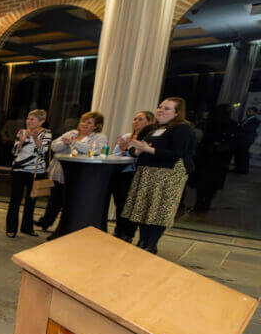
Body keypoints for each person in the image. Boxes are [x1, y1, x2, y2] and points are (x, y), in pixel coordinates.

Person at [123, 97, 197, 254]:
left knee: (158, 210)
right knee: (143, 209)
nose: (161, 110)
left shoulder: (182, 129)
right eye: (160, 107)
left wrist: (148, 149)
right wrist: (137, 150)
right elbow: (135, 149)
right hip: (146, 173)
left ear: (177, 113)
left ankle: (150, 244)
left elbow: (176, 154)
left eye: (167, 108)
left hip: (168, 174)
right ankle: (142, 241)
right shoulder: (151, 129)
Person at [36, 111, 108, 232]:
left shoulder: (99, 137)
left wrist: (74, 142)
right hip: (59, 172)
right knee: (54, 199)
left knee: (70, 203)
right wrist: (65, 143)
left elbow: (96, 150)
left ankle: (64, 228)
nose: (84, 124)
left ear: (96, 126)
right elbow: (54, 146)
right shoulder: (72, 133)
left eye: (89, 122)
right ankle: (45, 222)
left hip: (79, 175)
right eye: (83, 121)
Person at [5, 110, 51, 238]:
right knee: (14, 201)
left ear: (41, 121)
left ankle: (27, 228)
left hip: (36, 172)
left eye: (32, 119)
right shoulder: (22, 131)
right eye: (28, 118)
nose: (28, 121)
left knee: (31, 202)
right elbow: (14, 152)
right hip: (18, 170)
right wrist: (21, 141)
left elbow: (42, 152)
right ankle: (11, 229)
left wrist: (35, 138)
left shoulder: (46, 133)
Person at [112, 110, 155, 242]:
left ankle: (128, 233)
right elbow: (114, 155)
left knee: (130, 205)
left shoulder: (148, 139)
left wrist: (128, 150)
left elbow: (143, 157)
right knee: (119, 204)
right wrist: (122, 149)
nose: (136, 122)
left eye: (140, 119)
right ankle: (118, 230)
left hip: (136, 174)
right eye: (135, 119)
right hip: (121, 173)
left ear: (149, 123)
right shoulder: (127, 136)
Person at [190, 105, 237, 212]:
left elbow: (202, 139)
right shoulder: (232, 124)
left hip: (206, 156)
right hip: (221, 158)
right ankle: (207, 203)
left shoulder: (209, 122)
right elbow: (233, 141)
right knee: (214, 183)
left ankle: (198, 203)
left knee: (201, 182)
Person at [233, 107, 259, 174]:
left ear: (254, 113)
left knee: (243, 155)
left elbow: (249, 129)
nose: (248, 112)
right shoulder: (246, 119)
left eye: (250, 111)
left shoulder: (255, 120)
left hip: (246, 139)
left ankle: (242, 169)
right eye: (248, 111)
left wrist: (238, 126)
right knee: (239, 154)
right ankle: (239, 168)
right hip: (241, 139)